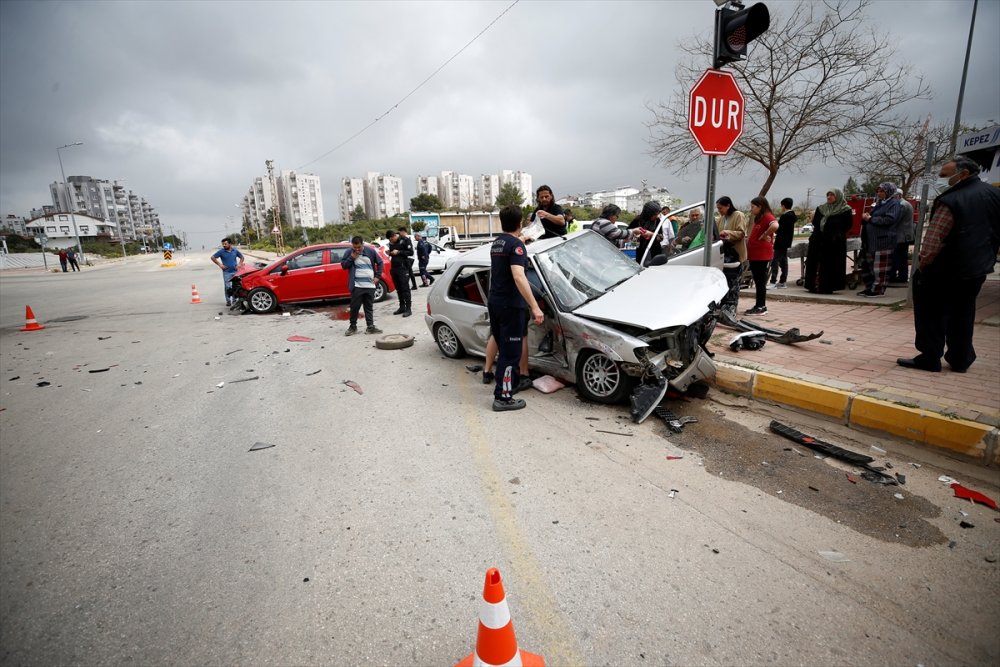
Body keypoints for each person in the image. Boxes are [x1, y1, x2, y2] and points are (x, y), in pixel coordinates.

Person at [897, 156, 1000, 373]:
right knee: (963, 312)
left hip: (947, 267)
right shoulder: (994, 194)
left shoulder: (952, 200)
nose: (941, 179)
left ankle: (930, 357)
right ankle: (961, 359)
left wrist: (923, 264)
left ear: (963, 174)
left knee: (931, 313)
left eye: (944, 175)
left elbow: (933, 239)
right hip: (978, 266)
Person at [488, 205, 544, 411]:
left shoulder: (498, 243)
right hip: (511, 306)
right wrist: (535, 306)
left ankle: (505, 386)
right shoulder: (517, 247)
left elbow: (512, 245)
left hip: (495, 303)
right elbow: (519, 277)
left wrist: (521, 239)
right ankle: (503, 398)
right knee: (511, 354)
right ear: (520, 224)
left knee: (505, 351)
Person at [803, 188, 852, 294]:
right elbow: (816, 222)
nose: (829, 197)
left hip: (834, 242)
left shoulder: (845, 209)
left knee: (830, 265)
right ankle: (814, 285)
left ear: (838, 196)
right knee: (815, 263)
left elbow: (847, 225)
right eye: (828, 195)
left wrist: (836, 234)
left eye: (832, 195)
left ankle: (827, 287)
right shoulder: (821, 208)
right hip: (818, 240)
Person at [858, 182, 900, 297]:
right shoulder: (879, 203)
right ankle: (870, 287)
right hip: (871, 241)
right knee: (869, 267)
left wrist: (871, 219)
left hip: (883, 241)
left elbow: (889, 220)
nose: (879, 193)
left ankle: (878, 289)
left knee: (880, 268)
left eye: (882, 191)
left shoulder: (894, 203)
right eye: (878, 191)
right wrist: (866, 218)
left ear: (889, 192)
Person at [340, 236, 384, 336]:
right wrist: (352, 257)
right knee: (355, 307)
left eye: (359, 247)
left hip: (370, 285)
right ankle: (353, 327)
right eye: (355, 247)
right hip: (357, 286)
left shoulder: (370, 251)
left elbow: (380, 263)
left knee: (368, 307)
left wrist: (377, 276)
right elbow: (344, 266)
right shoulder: (349, 252)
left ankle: (370, 327)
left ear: (362, 244)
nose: (357, 249)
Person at [745, 197, 779, 315]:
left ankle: (761, 307)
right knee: (758, 280)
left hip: (761, 255)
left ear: (760, 206)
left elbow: (775, 225)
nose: (751, 209)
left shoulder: (767, 216)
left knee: (760, 281)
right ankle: (758, 305)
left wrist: (765, 234)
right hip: (755, 254)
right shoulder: (759, 218)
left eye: (753, 207)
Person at [715, 196, 748, 309]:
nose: (719, 211)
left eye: (721, 208)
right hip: (724, 256)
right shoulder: (721, 219)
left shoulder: (738, 215)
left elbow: (741, 233)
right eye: (718, 209)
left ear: (728, 205)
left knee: (733, 284)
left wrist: (728, 233)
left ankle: (731, 308)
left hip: (736, 255)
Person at [888, 190, 915, 284]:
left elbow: (895, 219)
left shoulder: (902, 205)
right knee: (902, 257)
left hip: (901, 235)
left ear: (898, 196)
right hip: (903, 235)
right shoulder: (905, 204)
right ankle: (902, 276)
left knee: (897, 257)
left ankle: (895, 276)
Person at [769, 198, 796, 289]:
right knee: (784, 262)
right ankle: (783, 281)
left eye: (781, 206)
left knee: (775, 261)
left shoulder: (785, 216)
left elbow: (780, 230)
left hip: (780, 242)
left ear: (783, 206)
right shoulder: (792, 216)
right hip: (786, 242)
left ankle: (773, 282)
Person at [386, 229, 413, 317]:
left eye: (391, 239)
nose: (391, 241)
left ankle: (408, 309)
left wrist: (399, 252)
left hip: (403, 268)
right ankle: (402, 307)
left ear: (394, 236)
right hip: (394, 268)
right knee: (399, 289)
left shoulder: (405, 240)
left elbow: (411, 252)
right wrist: (390, 253)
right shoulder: (391, 243)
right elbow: (394, 254)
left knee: (405, 289)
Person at [628, 200, 664, 265]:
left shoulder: (657, 221)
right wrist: (637, 236)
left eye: (657, 214)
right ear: (648, 213)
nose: (656, 216)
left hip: (655, 253)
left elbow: (661, 238)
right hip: (640, 253)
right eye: (654, 214)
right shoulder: (637, 220)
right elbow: (628, 235)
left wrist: (651, 234)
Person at [211, 238, 244, 306]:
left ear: (230, 244)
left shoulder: (235, 250)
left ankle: (234, 300)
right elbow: (213, 257)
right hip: (227, 272)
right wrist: (220, 264)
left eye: (225, 244)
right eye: (223, 244)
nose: (224, 245)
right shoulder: (221, 251)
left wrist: (239, 264)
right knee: (227, 287)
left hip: (235, 272)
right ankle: (228, 300)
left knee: (235, 286)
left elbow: (242, 257)